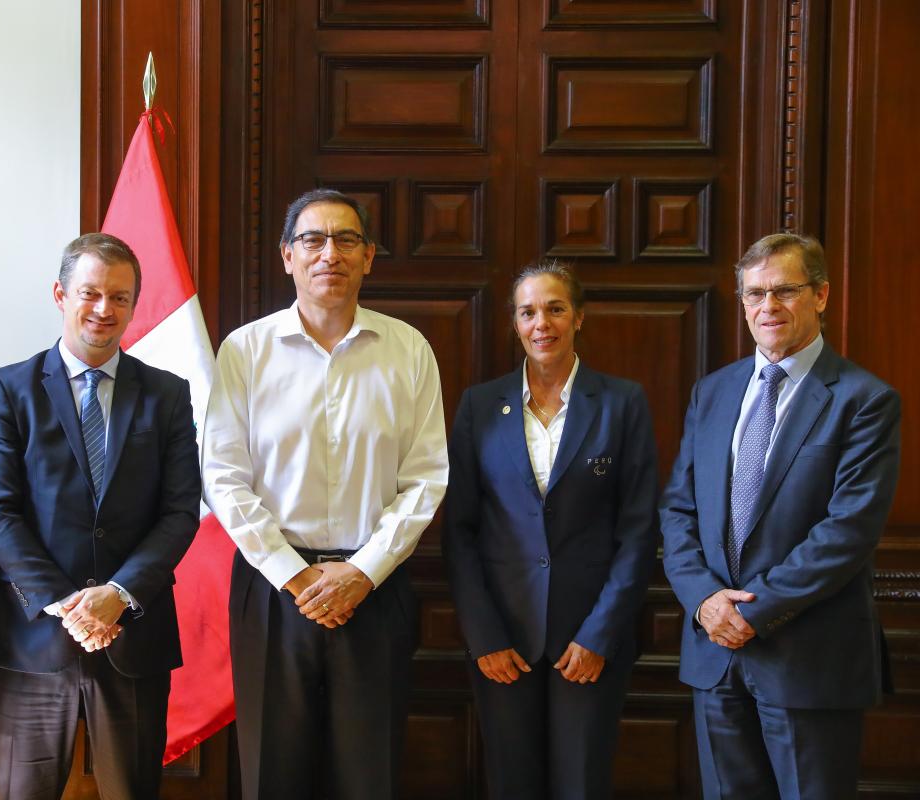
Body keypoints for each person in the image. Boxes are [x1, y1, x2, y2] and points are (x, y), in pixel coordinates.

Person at [201, 188, 448, 800]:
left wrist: (363, 571)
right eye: (312, 239)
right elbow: (224, 475)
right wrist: (294, 574)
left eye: (346, 240)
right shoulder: (245, 350)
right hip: (272, 588)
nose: (328, 254)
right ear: (287, 256)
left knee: (370, 772)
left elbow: (427, 477)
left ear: (368, 257)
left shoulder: (408, 349)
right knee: (273, 773)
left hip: (374, 586)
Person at [660, 233, 901, 799]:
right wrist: (704, 600)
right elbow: (678, 509)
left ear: (820, 295)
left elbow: (849, 530)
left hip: (809, 660)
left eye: (784, 291)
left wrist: (754, 611)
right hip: (715, 655)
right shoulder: (712, 392)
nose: (768, 307)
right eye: (754, 295)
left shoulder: (864, 399)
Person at [0, 233, 200, 800]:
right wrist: (69, 605)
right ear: (60, 294)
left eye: (120, 298)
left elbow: (179, 512)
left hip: (134, 633)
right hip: (34, 639)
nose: (104, 309)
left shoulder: (167, 394)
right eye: (90, 293)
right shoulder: (9, 387)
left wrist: (118, 594)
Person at [443, 262, 659, 799]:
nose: (543, 323)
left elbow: (638, 531)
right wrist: (484, 636)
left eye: (556, 308)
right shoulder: (479, 406)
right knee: (511, 784)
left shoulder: (622, 402)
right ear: (515, 324)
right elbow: (460, 530)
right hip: (504, 640)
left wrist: (600, 634)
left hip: (588, 639)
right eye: (528, 311)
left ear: (579, 317)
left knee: (581, 784)